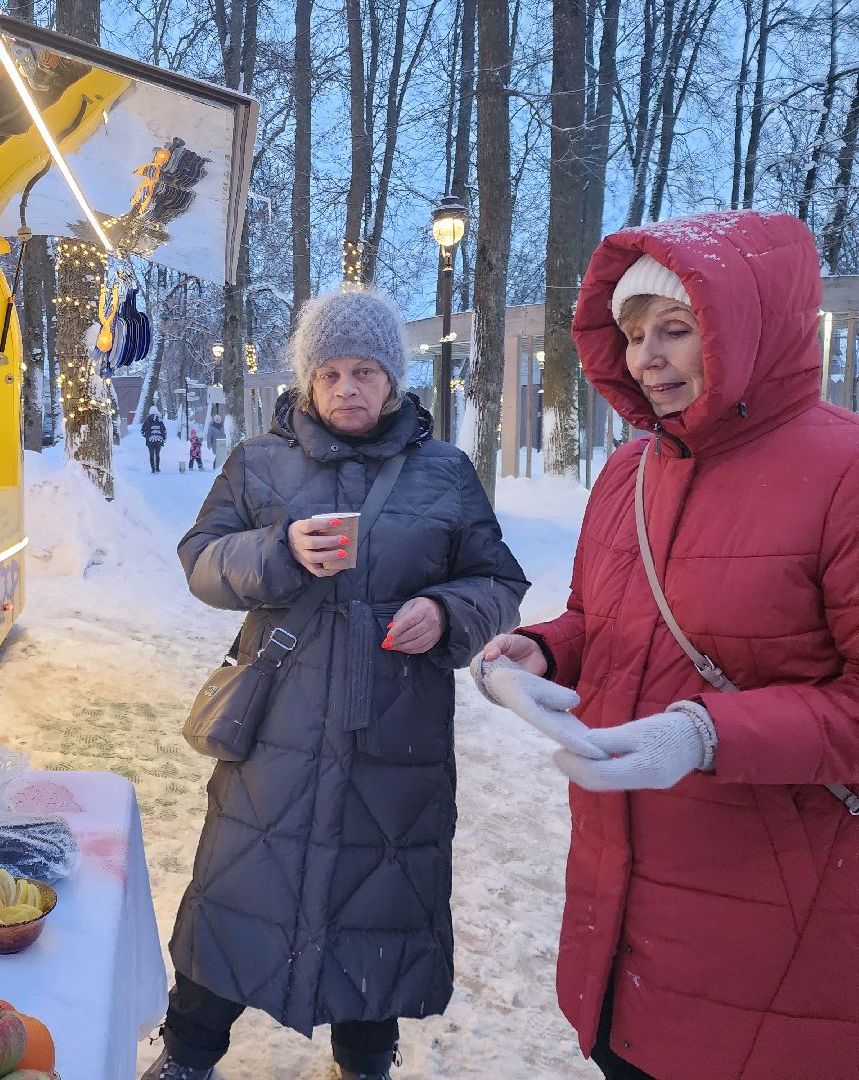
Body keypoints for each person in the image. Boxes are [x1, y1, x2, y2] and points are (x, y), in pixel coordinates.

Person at [472, 210, 859, 1079]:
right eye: (636, 332)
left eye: (677, 330)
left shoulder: (846, 472)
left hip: (779, 926)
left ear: (745, 329)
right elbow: (597, 619)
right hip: (623, 916)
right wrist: (540, 653)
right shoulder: (629, 470)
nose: (647, 356)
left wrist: (704, 734)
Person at [145, 287, 530, 1080]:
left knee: (377, 896)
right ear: (308, 380)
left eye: (365, 371)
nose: (348, 388)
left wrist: (445, 609)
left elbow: (498, 582)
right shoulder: (259, 461)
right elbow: (201, 560)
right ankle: (187, 1054)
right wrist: (278, 552)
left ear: (393, 380)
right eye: (330, 373)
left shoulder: (445, 473)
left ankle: (365, 1061)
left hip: (396, 737)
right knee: (238, 884)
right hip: (277, 731)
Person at [142, 406, 168, 473]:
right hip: (158, 440)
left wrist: (147, 436)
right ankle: (157, 468)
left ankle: (153, 469)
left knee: (151, 455)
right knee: (157, 454)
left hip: (150, 440)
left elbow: (142, 430)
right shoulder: (159, 420)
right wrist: (163, 438)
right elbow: (163, 430)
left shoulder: (148, 420)